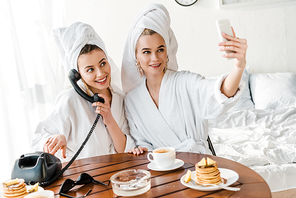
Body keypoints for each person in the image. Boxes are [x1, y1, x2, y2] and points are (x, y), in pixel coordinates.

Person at [121, 4, 248, 155]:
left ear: (167, 51)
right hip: (160, 168)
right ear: (136, 56)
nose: (155, 58)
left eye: (160, 49)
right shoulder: (132, 100)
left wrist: (239, 66)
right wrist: (139, 150)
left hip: (198, 164)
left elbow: (220, 92)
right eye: (146, 52)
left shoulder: (185, 82)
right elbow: (142, 143)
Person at [32, 22, 135, 161]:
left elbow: (125, 150)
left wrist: (109, 119)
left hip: (117, 177)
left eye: (103, 63)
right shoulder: (70, 100)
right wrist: (56, 138)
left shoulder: (119, 98)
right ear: (78, 74)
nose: (100, 74)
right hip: (81, 179)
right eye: (90, 69)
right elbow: (38, 141)